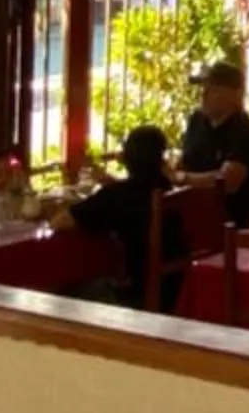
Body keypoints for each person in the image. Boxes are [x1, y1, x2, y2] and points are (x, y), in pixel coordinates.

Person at [61, 126, 188, 309]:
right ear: (161, 159)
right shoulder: (169, 189)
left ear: (126, 157)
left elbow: (62, 222)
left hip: (136, 294)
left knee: (65, 292)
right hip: (178, 290)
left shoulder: (117, 196)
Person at [178, 61, 249, 230]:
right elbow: (183, 162)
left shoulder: (245, 131)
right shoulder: (196, 122)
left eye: (212, 89)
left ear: (235, 95)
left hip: (227, 222)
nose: (203, 95)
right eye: (203, 89)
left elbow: (227, 182)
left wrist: (183, 179)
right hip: (189, 212)